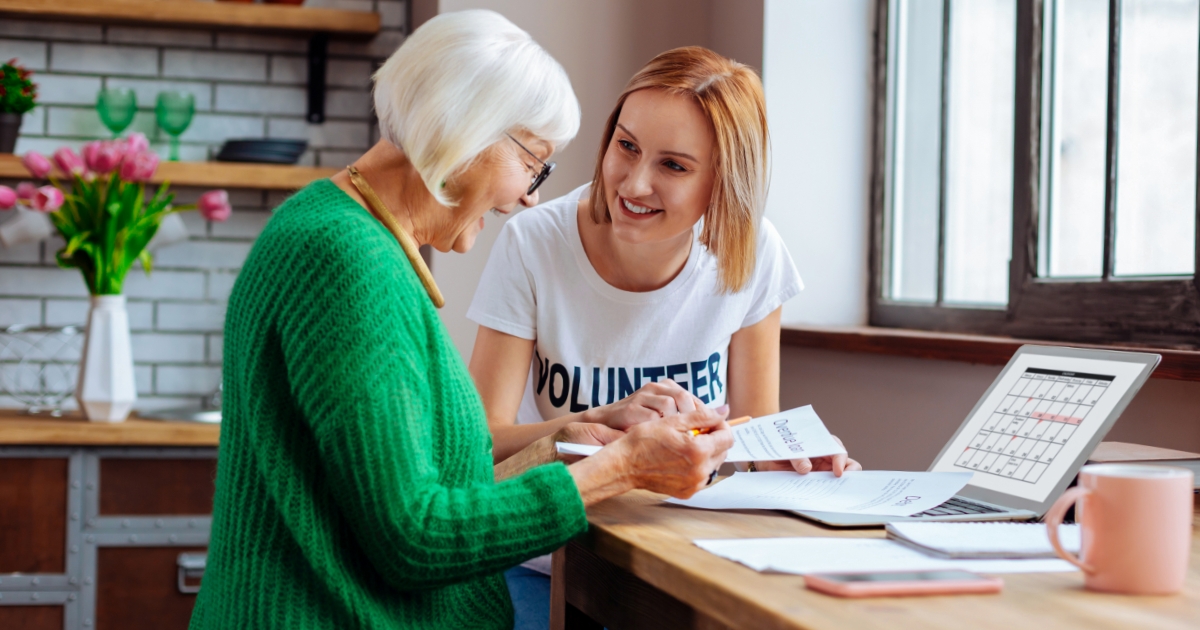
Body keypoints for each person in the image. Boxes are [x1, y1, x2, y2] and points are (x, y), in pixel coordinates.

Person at [190, 13, 733, 630]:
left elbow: (431, 471)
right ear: (469, 134)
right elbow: (415, 535)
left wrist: (580, 430)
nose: (530, 196)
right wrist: (622, 469)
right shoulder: (345, 260)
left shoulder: (344, 232)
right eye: (535, 165)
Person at [467, 47, 864, 623]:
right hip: (544, 558)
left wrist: (790, 458)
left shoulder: (750, 253)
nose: (634, 182)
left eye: (673, 166)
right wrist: (604, 420)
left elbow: (751, 430)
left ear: (723, 183)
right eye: (625, 146)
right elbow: (480, 442)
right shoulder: (534, 243)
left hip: (677, 550)